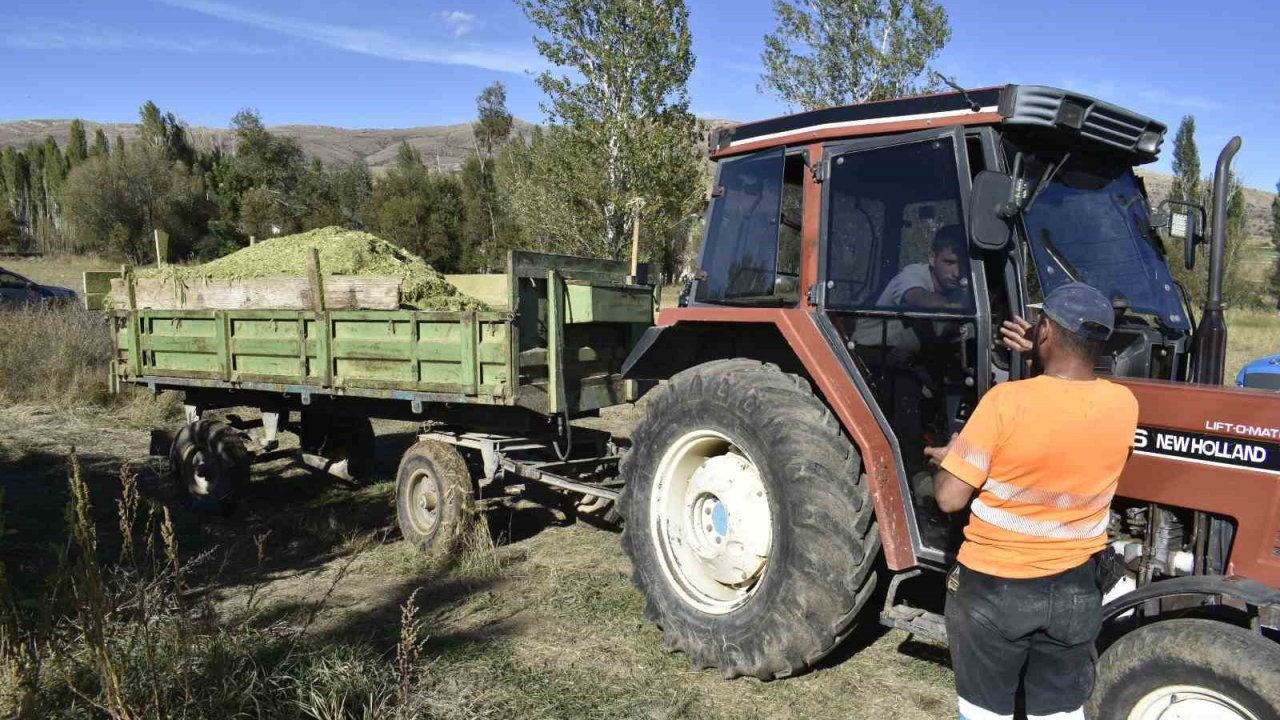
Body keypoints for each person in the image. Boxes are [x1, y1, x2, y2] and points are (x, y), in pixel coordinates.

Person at [924, 282, 1139, 720]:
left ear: (1044, 332)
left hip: (994, 588)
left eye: (1040, 324)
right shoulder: (1124, 404)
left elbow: (949, 498)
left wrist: (949, 459)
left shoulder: (1004, 403)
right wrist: (1042, 351)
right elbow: (1066, 403)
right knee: (1058, 713)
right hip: (1077, 588)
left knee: (986, 712)